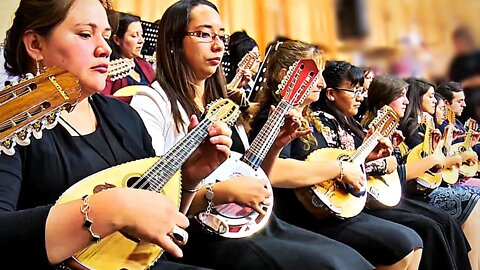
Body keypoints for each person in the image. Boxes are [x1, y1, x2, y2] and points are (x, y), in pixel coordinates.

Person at [131, 1, 373, 269]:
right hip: (200, 235)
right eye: (203, 34)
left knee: (353, 261)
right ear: (174, 42)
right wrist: (219, 193)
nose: (218, 45)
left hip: (247, 222)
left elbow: (250, 175)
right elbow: (148, 197)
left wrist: (275, 147)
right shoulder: (152, 101)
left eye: (221, 35)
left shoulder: (221, 102)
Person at [0, 0, 233, 268]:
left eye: (107, 36)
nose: (104, 49)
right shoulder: (11, 121)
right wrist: (110, 208)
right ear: (35, 45)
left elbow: (154, 231)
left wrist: (189, 177)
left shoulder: (124, 117)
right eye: (86, 34)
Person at [251, 58, 423, 269]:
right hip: (301, 212)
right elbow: (275, 171)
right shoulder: (278, 118)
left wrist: (366, 157)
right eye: (315, 75)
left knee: (414, 241)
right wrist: (341, 169)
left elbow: (331, 161)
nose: (322, 84)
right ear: (289, 75)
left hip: (330, 203)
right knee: (403, 243)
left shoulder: (313, 120)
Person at [363, 75, 473, 270]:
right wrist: (438, 157)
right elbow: (415, 169)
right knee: (434, 226)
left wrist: (445, 143)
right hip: (391, 196)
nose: (406, 101)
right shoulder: (383, 128)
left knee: (447, 222)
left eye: (406, 95)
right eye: (400, 96)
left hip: (401, 192)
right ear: (383, 100)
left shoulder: (407, 127)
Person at [399, 77, 480, 270]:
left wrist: (458, 144)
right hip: (418, 192)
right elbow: (432, 165)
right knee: (474, 200)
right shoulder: (412, 129)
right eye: (430, 97)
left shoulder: (428, 127)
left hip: (434, 185)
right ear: (418, 99)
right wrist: (457, 153)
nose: (436, 101)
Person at [101, 12, 155, 103]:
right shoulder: (109, 68)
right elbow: (102, 99)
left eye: (141, 35)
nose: (141, 41)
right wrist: (136, 98)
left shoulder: (145, 65)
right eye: (134, 36)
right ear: (117, 40)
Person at [448, 26, 480, 123]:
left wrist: (465, 83)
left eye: (458, 42)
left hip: (474, 93)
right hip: (459, 93)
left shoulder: (477, 56)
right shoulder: (457, 61)